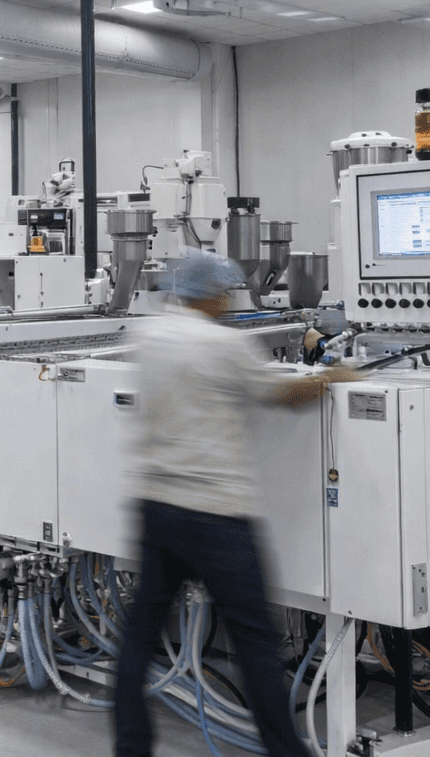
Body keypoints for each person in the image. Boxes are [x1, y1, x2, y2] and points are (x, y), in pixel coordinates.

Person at [114, 249, 359, 757]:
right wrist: (333, 379)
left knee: (139, 636)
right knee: (255, 641)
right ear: (210, 295)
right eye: (225, 293)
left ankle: (131, 746)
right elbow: (281, 396)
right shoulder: (222, 345)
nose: (228, 302)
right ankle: (285, 750)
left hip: (156, 506)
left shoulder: (149, 335)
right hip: (216, 514)